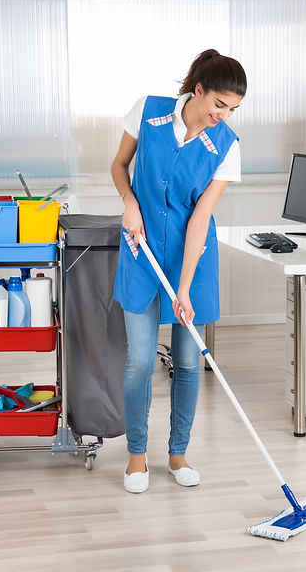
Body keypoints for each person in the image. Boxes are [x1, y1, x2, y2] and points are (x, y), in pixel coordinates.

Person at [111, 49, 246, 494]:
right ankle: (136, 457)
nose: (223, 116)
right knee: (140, 362)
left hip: (192, 259)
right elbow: (118, 165)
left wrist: (184, 289)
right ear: (199, 91)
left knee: (188, 363)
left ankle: (178, 454)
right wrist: (130, 204)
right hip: (141, 251)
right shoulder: (147, 112)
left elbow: (200, 218)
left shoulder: (226, 147)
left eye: (233, 109)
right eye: (219, 105)